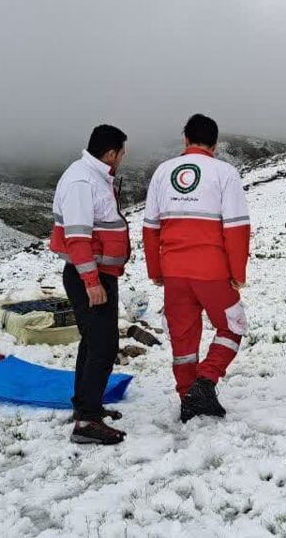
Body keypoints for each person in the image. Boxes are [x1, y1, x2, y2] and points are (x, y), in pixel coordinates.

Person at [143, 114, 251, 422]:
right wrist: (237, 273)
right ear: (215, 144)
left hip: (173, 270)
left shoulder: (163, 172)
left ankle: (187, 397)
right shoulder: (224, 173)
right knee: (233, 325)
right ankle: (204, 382)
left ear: (186, 139)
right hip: (212, 270)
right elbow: (236, 227)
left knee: (183, 338)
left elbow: (150, 228)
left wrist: (156, 271)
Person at [50, 124, 131, 445]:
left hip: (98, 273)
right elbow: (78, 237)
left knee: (93, 342)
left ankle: (86, 406)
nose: (123, 158)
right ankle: (87, 422)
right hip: (89, 275)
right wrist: (92, 282)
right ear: (110, 154)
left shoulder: (94, 176)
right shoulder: (82, 182)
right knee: (103, 346)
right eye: (122, 152)